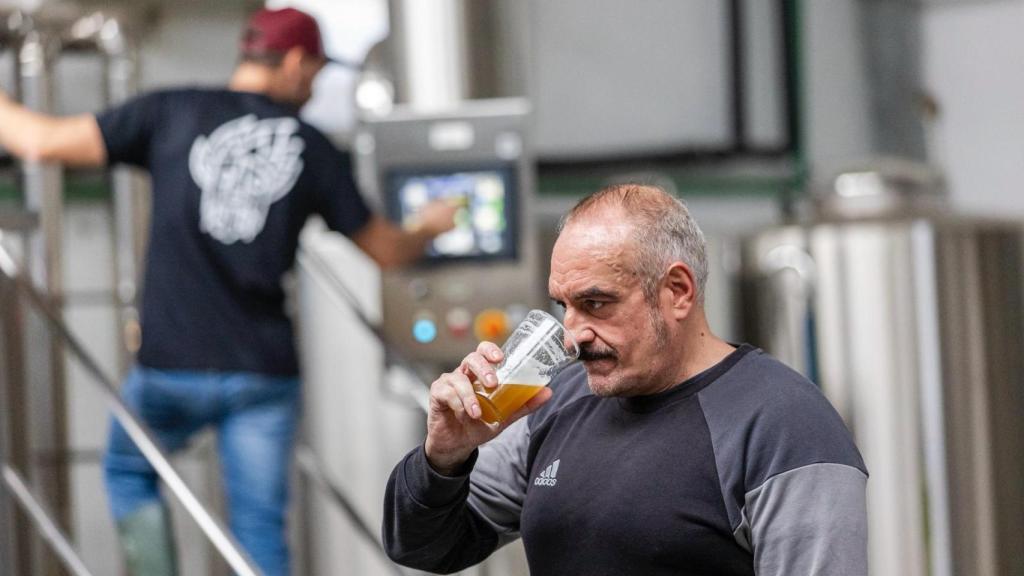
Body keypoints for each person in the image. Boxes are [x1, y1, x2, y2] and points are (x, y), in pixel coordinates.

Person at [0, 7, 456, 576]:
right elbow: (385, 249)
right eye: (314, 73)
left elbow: (41, 140)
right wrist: (431, 227)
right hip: (262, 375)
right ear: (294, 61)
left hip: (172, 366)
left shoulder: (168, 110)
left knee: (127, 469)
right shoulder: (313, 147)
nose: (312, 88)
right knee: (259, 527)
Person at [382, 184, 868, 575]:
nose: (571, 334)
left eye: (596, 303)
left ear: (677, 292)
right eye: (562, 306)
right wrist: (443, 459)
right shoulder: (553, 404)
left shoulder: (784, 425)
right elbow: (423, 549)